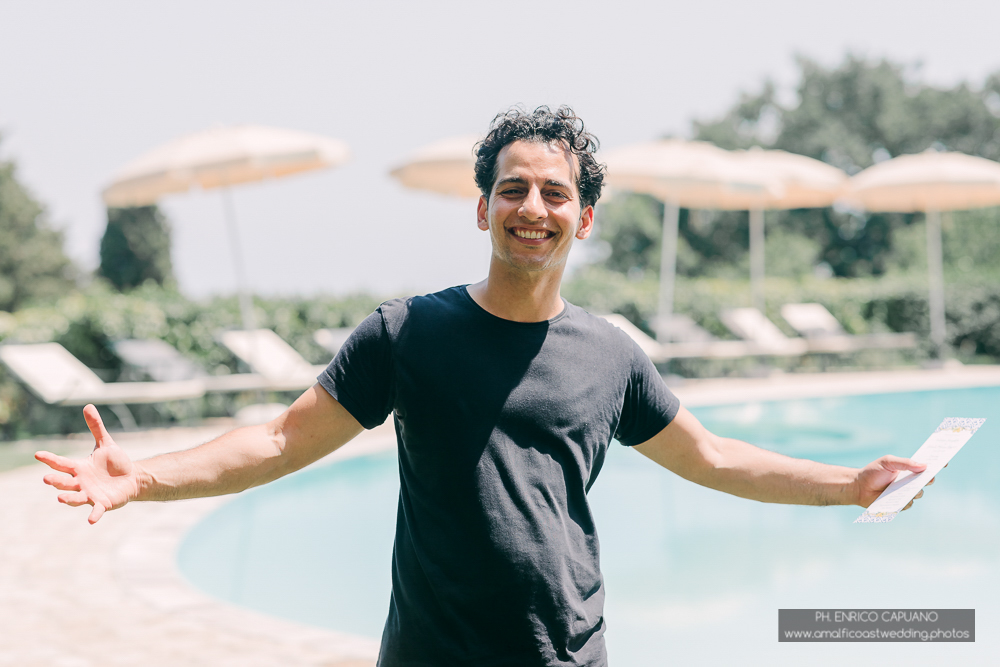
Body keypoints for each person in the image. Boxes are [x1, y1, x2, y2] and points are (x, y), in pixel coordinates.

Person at [36, 106, 932, 667]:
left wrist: (849, 484)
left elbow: (715, 456)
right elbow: (280, 438)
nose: (531, 208)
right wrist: (144, 476)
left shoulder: (609, 354)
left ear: (582, 217)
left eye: (552, 193)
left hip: (568, 655)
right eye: (512, 190)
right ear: (481, 208)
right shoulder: (407, 332)